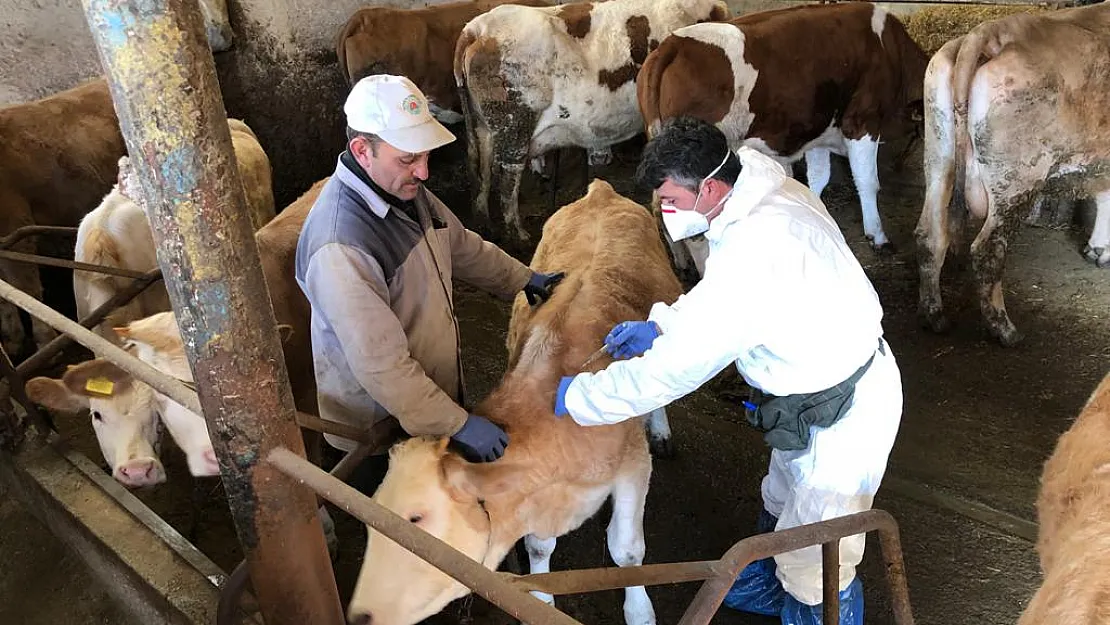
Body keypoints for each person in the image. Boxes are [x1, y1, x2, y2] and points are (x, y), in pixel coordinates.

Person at [552, 116, 903, 625]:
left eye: (670, 199)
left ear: (710, 186)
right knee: (781, 496)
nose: (665, 211)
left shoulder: (759, 248)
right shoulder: (758, 192)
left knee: (820, 556)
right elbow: (722, 298)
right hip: (810, 387)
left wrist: (579, 398)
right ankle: (768, 584)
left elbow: (668, 375)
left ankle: (816, 610)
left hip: (844, 415)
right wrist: (664, 324)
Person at [296, 74, 563, 465]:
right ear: (362, 149)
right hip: (381, 428)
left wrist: (522, 278)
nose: (423, 173)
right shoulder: (341, 247)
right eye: (408, 158)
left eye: (425, 155)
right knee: (401, 516)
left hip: (427, 404)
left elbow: (459, 244)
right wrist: (458, 425)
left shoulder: (402, 189)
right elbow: (383, 367)